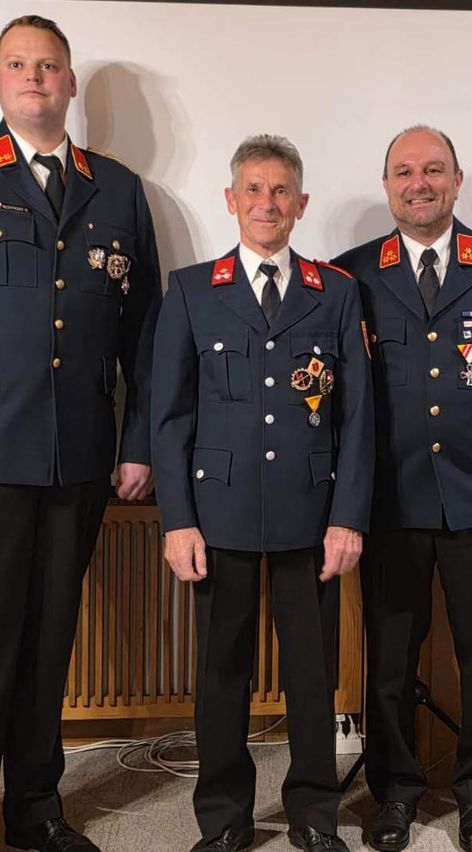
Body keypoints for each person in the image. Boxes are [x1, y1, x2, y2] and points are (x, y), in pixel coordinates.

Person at [333, 126, 472, 852]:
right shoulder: (350, 274)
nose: (419, 183)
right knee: (389, 656)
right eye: (404, 171)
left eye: (434, 170)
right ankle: (394, 791)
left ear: (457, 182)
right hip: (389, 498)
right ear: (388, 184)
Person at [150, 134, 373, 852]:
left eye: (280, 191)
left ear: (301, 204)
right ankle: (223, 819)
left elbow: (357, 414)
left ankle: (313, 814)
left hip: (312, 512)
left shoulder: (335, 292)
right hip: (219, 515)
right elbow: (170, 415)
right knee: (222, 676)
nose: (266, 204)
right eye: (253, 189)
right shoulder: (190, 290)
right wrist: (177, 521)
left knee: (311, 679)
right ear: (231, 200)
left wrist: (348, 518)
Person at [0, 15, 161, 852]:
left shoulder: (119, 190)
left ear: (68, 84)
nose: (35, 77)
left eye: (49, 65)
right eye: (19, 64)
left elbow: (147, 334)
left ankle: (34, 811)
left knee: (50, 638)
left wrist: (137, 443)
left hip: (79, 460)